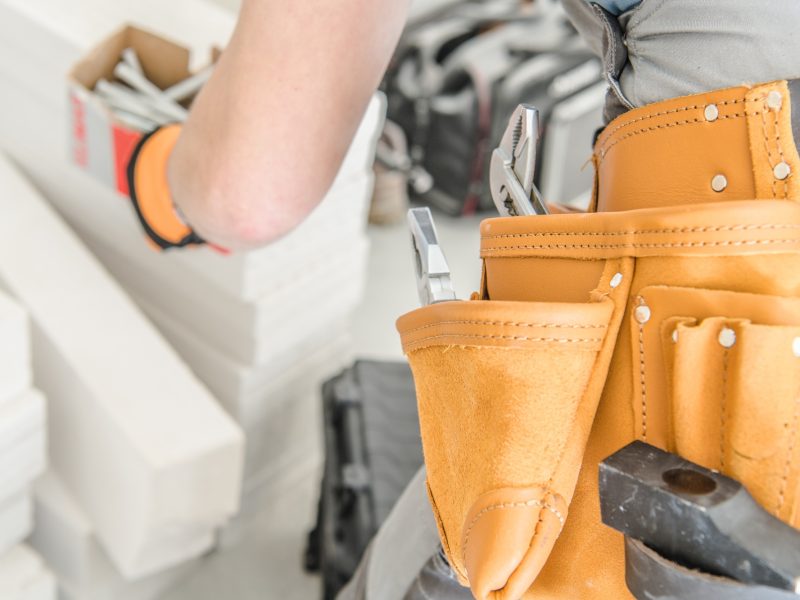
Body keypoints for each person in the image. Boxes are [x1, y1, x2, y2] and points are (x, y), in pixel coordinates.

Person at [127, 1, 800, 598]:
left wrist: (165, 177)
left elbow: (248, 194)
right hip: (736, 216)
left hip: (739, 246)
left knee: (442, 558)